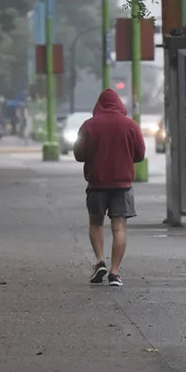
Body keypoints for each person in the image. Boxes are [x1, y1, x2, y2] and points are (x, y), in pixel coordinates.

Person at [72, 88, 145, 287]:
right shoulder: (131, 125)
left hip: (97, 184)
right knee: (119, 228)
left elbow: (79, 155)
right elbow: (139, 155)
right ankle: (114, 272)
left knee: (96, 224)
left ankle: (99, 262)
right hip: (122, 185)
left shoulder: (89, 126)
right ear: (120, 105)